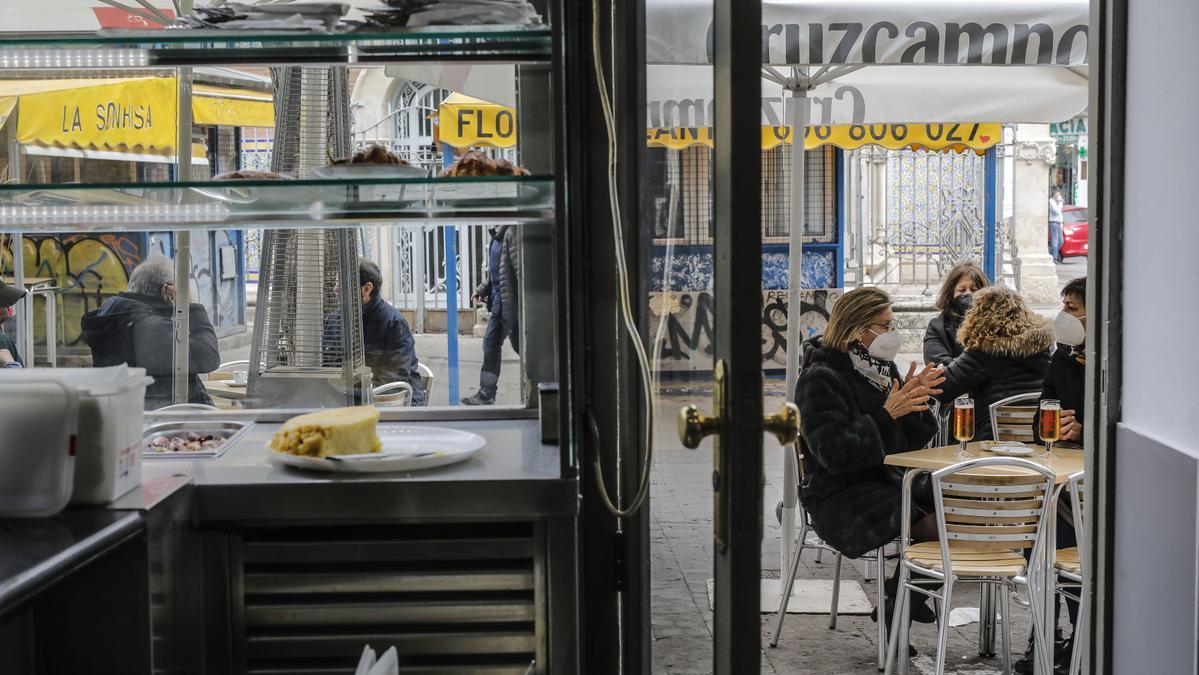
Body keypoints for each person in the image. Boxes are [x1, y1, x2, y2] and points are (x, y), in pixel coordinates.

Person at [796, 287, 946, 629]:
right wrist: (886, 415)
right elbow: (834, 454)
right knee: (938, 526)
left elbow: (909, 443)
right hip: (840, 493)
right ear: (855, 328)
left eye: (891, 325)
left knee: (960, 511)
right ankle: (904, 604)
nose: (891, 334)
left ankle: (901, 601)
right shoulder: (821, 377)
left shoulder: (879, 367)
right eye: (884, 325)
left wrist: (914, 401)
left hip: (884, 480)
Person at [1014, 277, 1087, 674]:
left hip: (1093, 478)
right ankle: (1045, 634)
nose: (1064, 315)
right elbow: (1042, 417)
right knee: (1041, 536)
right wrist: (1055, 425)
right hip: (1061, 475)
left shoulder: (1114, 358)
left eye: (1073, 308)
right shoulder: (1063, 356)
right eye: (1064, 306)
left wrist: (1084, 430)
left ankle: (1076, 635)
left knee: (1064, 535)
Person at [81, 256, 220, 409]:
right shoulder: (149, 326)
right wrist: (190, 305)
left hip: (125, 410)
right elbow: (208, 356)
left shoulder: (114, 310)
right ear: (166, 290)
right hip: (168, 417)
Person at [935, 287, 1054, 441]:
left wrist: (941, 370)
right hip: (1038, 440)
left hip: (991, 445)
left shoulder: (984, 352)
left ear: (979, 316)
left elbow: (942, 389)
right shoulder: (1043, 349)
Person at [462, 225, 521, 405]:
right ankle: (487, 392)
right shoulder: (498, 236)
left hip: (509, 304)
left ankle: (489, 393)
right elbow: (497, 272)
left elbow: (521, 273)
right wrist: (482, 289)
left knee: (520, 347)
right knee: (492, 345)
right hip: (500, 303)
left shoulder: (512, 234)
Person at [358, 259, 426, 406]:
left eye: (341, 285)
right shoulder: (336, 320)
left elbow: (393, 379)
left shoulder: (393, 323)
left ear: (367, 289)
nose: (335, 289)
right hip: (356, 399)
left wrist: (355, 397)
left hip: (392, 401)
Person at [924, 261, 991, 366]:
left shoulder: (995, 324)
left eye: (974, 290)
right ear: (950, 294)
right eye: (961, 290)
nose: (968, 294)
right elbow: (938, 364)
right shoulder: (938, 327)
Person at [0, 278, 26, 368]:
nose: (8, 314)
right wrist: (11, 364)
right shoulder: (2, 341)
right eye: (3, 305)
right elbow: (20, 380)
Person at [1048, 190, 1065, 264]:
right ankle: (1054, 258)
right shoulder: (1051, 202)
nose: (1058, 196)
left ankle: (1051, 255)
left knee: (1061, 241)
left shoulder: (1057, 202)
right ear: (1053, 195)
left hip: (1058, 223)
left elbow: (1060, 214)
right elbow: (1056, 211)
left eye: (1059, 195)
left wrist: (1061, 223)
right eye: (1057, 195)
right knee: (1055, 241)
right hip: (1053, 223)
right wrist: (1060, 203)